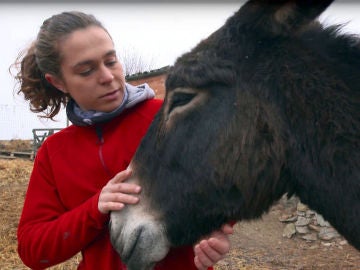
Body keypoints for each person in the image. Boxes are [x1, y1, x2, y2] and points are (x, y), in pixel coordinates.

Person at [12, 11, 233, 270]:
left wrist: (213, 233)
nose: (107, 77)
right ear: (58, 82)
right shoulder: (54, 153)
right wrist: (94, 208)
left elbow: (226, 188)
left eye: (111, 61)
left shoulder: (170, 117)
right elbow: (32, 250)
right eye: (86, 70)